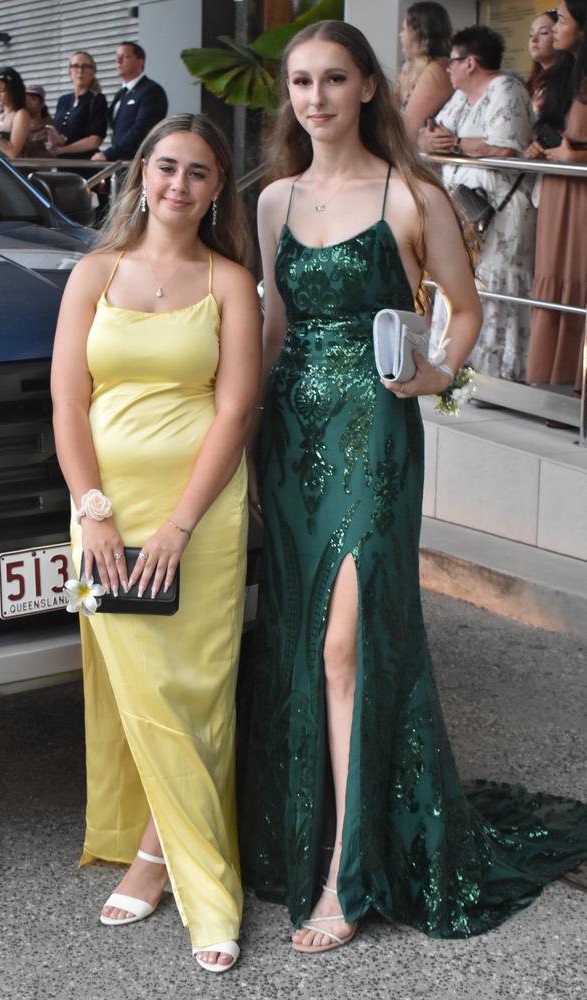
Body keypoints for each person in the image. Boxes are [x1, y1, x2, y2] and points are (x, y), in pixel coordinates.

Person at [240, 18, 587, 956]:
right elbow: (272, 328)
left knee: (346, 644)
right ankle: (303, 834)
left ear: (367, 90)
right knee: (296, 641)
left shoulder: (411, 193)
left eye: (333, 80)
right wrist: (246, 449)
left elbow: (465, 314)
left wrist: (437, 377)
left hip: (374, 438)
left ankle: (347, 878)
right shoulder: (272, 202)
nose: (315, 98)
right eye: (301, 82)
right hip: (290, 439)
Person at [51, 113, 261, 973]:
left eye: (199, 173)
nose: (179, 185)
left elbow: (236, 408)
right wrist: (93, 508)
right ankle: (158, 853)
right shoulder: (94, 272)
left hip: (200, 517)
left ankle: (180, 871)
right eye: (166, 167)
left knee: (196, 693)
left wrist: (180, 523)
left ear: (217, 190)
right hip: (105, 509)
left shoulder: (231, 281)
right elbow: (68, 402)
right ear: (141, 174)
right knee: (137, 685)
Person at [419, 26, 535, 381]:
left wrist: (454, 144)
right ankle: (454, 364)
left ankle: (495, 373)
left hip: (499, 211)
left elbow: (503, 147)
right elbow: (435, 133)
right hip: (461, 212)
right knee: (458, 278)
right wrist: (432, 139)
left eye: (452, 62)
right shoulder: (459, 96)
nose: (447, 70)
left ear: (470, 63)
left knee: (494, 280)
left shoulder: (506, 89)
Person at [526, 0, 587, 393]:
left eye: (562, 19)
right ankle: (551, 379)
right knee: (553, 274)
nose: (555, 26)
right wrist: (542, 146)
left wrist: (575, 155)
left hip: (579, 194)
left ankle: (573, 383)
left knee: (576, 276)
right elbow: (555, 128)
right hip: (558, 187)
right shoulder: (566, 72)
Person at [92, 42, 168, 162]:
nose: (118, 61)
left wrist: (110, 153)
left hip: (137, 163)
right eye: (117, 57)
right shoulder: (121, 93)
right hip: (119, 163)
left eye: (125, 57)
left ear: (140, 61)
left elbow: (142, 130)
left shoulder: (151, 90)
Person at [397, 1, 454, 142]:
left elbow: (408, 130)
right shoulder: (421, 68)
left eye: (404, 29)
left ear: (418, 34)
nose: (400, 35)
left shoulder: (435, 70)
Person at [48, 51, 108, 159]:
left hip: (85, 163)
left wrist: (63, 150)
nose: (80, 71)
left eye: (86, 66)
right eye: (75, 66)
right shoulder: (63, 100)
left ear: (93, 71)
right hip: (61, 163)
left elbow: (95, 140)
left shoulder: (97, 99)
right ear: (69, 71)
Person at [525, 8, 560, 115]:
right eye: (531, 34)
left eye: (543, 33)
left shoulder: (568, 83)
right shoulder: (531, 84)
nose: (533, 39)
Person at [22, 83, 53, 158]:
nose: (27, 103)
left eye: (33, 99)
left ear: (42, 104)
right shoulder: (17, 125)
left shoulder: (49, 127)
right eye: (24, 99)